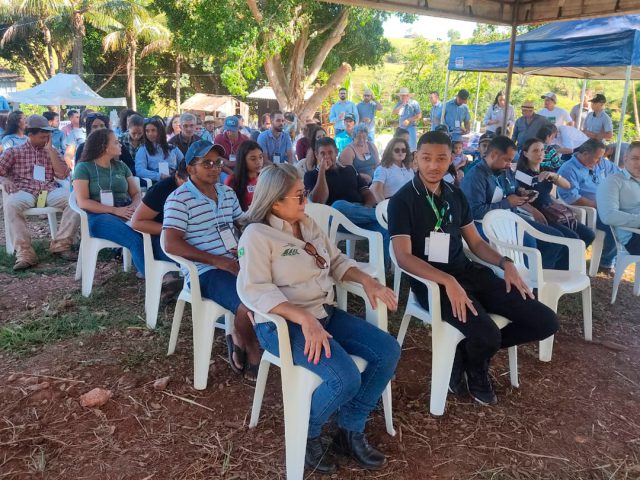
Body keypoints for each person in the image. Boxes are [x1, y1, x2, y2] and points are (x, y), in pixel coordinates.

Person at [237, 163, 400, 473]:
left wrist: (368, 281)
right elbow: (255, 290)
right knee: (345, 378)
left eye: (305, 193)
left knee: (387, 351)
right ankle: (306, 432)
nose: (306, 200)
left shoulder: (307, 222)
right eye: (299, 195)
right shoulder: (257, 235)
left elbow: (335, 261)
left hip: (323, 313)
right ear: (275, 202)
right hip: (282, 325)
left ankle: (349, 429)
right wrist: (303, 319)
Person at [388, 130, 559, 406]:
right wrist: (447, 281)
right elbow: (403, 257)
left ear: (451, 160)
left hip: (467, 273)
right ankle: (477, 370)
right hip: (433, 284)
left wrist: (506, 263)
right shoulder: (402, 200)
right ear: (415, 159)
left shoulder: (455, 194)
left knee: (545, 321)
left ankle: (466, 353)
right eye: (427, 158)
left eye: (441, 158)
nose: (433, 165)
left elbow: (476, 243)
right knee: (487, 333)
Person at [163, 140, 261, 381]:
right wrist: (218, 261)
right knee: (249, 303)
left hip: (235, 261)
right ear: (190, 168)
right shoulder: (179, 199)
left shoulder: (226, 193)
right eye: (206, 163)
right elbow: (171, 244)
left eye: (217, 162)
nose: (215, 168)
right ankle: (251, 347)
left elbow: (241, 222)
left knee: (274, 287)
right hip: (204, 271)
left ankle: (238, 331)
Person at [461, 136, 567, 270]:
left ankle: (538, 276)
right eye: (507, 160)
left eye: (511, 160)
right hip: (484, 224)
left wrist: (522, 192)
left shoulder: (505, 170)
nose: (509, 164)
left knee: (554, 238)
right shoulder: (476, 177)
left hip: (510, 218)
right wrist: (507, 203)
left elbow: (513, 187)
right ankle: (524, 277)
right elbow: (473, 212)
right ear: (493, 155)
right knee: (529, 243)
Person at [0, 115, 79, 270]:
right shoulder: (14, 152)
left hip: (48, 190)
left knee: (74, 200)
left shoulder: (51, 151)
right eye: (43, 136)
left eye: (48, 136)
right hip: (24, 190)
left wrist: (50, 151)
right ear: (30, 135)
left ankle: (61, 245)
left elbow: (63, 174)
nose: (46, 139)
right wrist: (4, 180)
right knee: (12, 205)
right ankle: (25, 253)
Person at [304, 137, 390, 266]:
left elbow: (367, 193)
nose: (327, 157)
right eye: (322, 153)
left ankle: (383, 268)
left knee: (384, 227)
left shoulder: (349, 169)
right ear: (316, 155)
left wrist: (367, 206)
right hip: (335, 218)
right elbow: (318, 201)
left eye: (330, 152)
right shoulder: (311, 175)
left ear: (336, 152)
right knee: (338, 205)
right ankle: (386, 215)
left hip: (360, 214)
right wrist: (322, 171)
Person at [73, 128, 145, 275]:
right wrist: (115, 211)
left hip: (126, 211)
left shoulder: (121, 166)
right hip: (98, 217)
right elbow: (83, 202)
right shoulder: (83, 168)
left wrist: (133, 206)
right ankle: (153, 277)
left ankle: (165, 271)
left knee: (153, 230)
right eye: (116, 142)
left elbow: (136, 194)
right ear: (104, 147)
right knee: (135, 238)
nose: (121, 145)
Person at [516, 138, 595, 248]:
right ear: (525, 154)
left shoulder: (545, 170)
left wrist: (555, 176)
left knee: (588, 234)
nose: (540, 154)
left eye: (542, 150)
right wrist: (534, 211)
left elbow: (567, 186)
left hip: (553, 211)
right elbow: (517, 199)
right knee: (572, 238)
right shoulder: (520, 174)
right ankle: (566, 258)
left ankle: (571, 258)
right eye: (535, 151)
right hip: (536, 213)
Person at [557, 139, 621, 275]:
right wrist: (599, 205)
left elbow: (619, 174)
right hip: (587, 210)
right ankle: (606, 262)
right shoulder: (569, 169)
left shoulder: (601, 162)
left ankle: (612, 259)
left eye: (601, 158)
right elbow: (572, 197)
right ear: (585, 154)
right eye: (597, 158)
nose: (600, 162)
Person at [131, 159, 189, 262]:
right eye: (188, 184)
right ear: (177, 176)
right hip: (162, 238)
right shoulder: (161, 190)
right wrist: (175, 231)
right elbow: (136, 222)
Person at [597, 141, 640, 254]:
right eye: (635, 158)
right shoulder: (613, 181)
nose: (639, 163)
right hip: (633, 236)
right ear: (625, 159)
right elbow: (608, 215)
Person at [135, 117, 184, 183]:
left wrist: (178, 174)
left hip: (175, 181)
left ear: (160, 131)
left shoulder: (173, 148)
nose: (150, 134)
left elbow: (184, 164)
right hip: (156, 183)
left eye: (153, 130)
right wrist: (159, 176)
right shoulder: (143, 150)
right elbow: (140, 171)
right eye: (147, 131)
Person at [370, 137, 413, 202]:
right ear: (390, 152)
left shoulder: (409, 170)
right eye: (397, 150)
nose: (400, 152)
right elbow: (376, 191)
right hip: (392, 203)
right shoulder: (382, 169)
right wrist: (385, 206)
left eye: (403, 150)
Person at [225, 140, 264, 211]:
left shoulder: (264, 177)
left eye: (260, 157)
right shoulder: (232, 180)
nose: (258, 162)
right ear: (243, 160)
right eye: (253, 159)